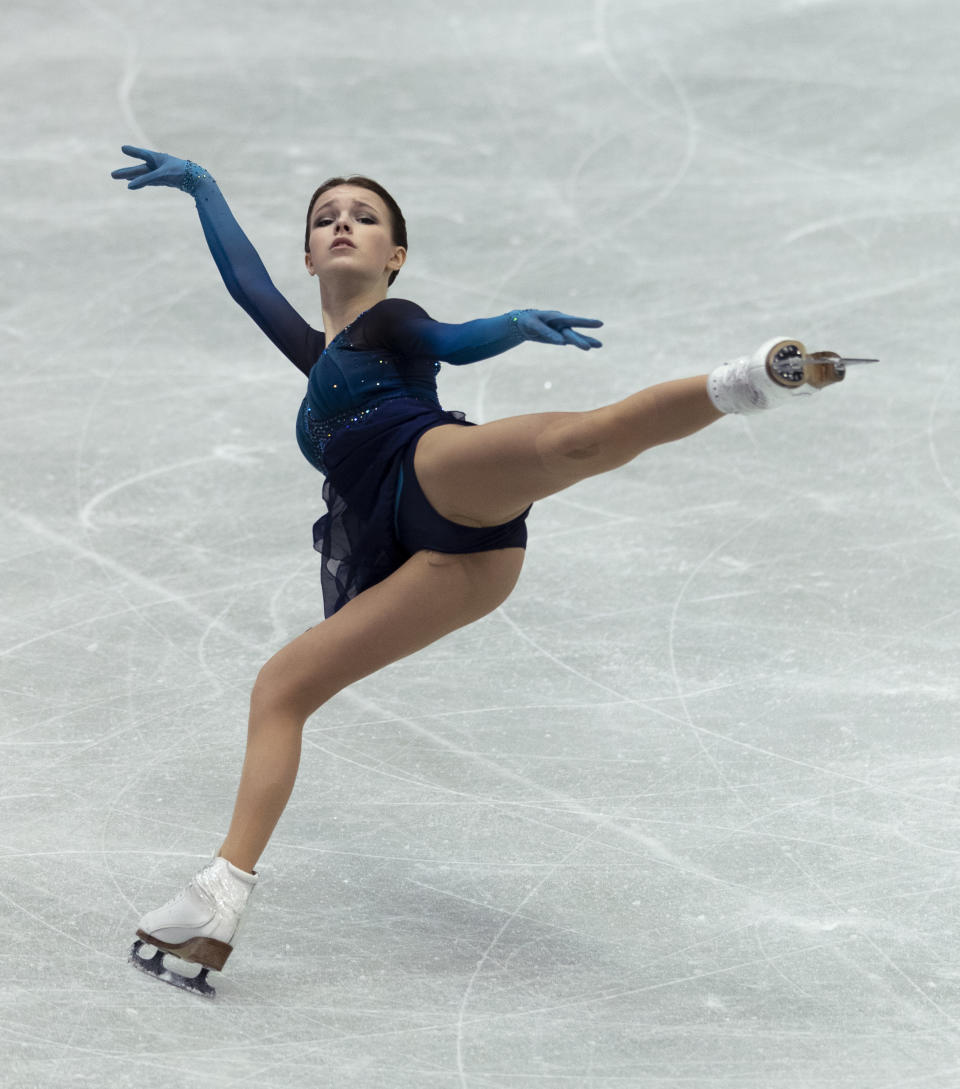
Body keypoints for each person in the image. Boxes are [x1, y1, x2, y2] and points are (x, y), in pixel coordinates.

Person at [111, 145, 868, 997]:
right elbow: (248, 285)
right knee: (280, 686)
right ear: (311, 250)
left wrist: (509, 325)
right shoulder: (316, 351)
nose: (342, 225)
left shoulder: (390, 325)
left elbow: (450, 341)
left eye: (364, 216)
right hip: (447, 563)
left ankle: (754, 377)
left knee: (572, 441)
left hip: (433, 472)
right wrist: (203, 186)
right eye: (326, 217)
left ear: (395, 256)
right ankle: (217, 899)